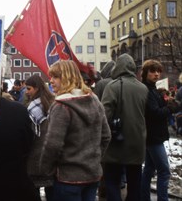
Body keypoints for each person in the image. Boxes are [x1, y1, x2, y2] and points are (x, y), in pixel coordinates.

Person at [37, 60, 111, 201]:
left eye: (55, 77)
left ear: (67, 77)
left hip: (67, 178)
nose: (51, 81)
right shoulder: (94, 100)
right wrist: (93, 159)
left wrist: (45, 170)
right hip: (92, 175)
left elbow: (53, 145)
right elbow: (106, 136)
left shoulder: (61, 106)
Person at [101, 53, 148, 201]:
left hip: (116, 142)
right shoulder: (143, 88)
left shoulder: (112, 86)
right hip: (137, 142)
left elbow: (104, 116)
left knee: (112, 182)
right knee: (134, 182)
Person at [141, 59, 180, 201]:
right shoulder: (147, 90)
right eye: (152, 71)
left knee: (149, 170)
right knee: (164, 171)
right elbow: (154, 113)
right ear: (145, 73)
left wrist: (166, 102)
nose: (156, 74)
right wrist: (169, 108)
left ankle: (144, 197)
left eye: (158, 71)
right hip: (153, 137)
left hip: (153, 136)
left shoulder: (153, 89)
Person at [25, 74, 55, 200]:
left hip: (35, 155)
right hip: (51, 155)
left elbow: (29, 132)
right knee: (51, 192)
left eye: (28, 88)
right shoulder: (53, 102)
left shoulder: (32, 107)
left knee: (33, 192)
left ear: (36, 88)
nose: (26, 92)